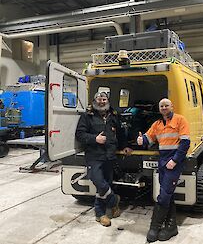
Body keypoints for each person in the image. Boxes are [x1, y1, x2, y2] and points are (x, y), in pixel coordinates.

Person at [137, 98, 190, 242]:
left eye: (167, 105)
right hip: (162, 162)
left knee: (164, 195)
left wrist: (175, 160)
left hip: (174, 162)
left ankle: (154, 227)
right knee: (168, 194)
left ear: (172, 106)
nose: (164, 108)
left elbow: (185, 143)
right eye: (162, 106)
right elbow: (149, 138)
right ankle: (172, 227)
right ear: (159, 109)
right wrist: (141, 141)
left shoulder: (180, 120)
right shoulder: (157, 124)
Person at [75, 91, 132, 227]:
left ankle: (101, 214)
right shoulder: (87, 116)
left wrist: (125, 146)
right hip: (94, 156)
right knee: (99, 182)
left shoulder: (113, 115)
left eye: (104, 99)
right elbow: (80, 134)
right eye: (99, 99)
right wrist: (95, 139)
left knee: (106, 185)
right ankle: (114, 200)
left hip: (110, 156)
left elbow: (120, 133)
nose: (102, 101)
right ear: (94, 101)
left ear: (107, 100)